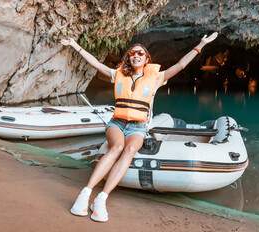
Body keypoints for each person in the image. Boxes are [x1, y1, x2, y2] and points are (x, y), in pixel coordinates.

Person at [61, 32, 218, 222]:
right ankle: (85, 194)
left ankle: (101, 199)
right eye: (133, 53)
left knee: (128, 151)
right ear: (128, 57)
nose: (136, 55)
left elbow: (181, 65)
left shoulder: (156, 77)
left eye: (141, 53)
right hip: (117, 124)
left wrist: (200, 44)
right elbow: (95, 63)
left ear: (146, 59)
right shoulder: (117, 74)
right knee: (117, 147)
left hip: (138, 127)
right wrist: (74, 45)